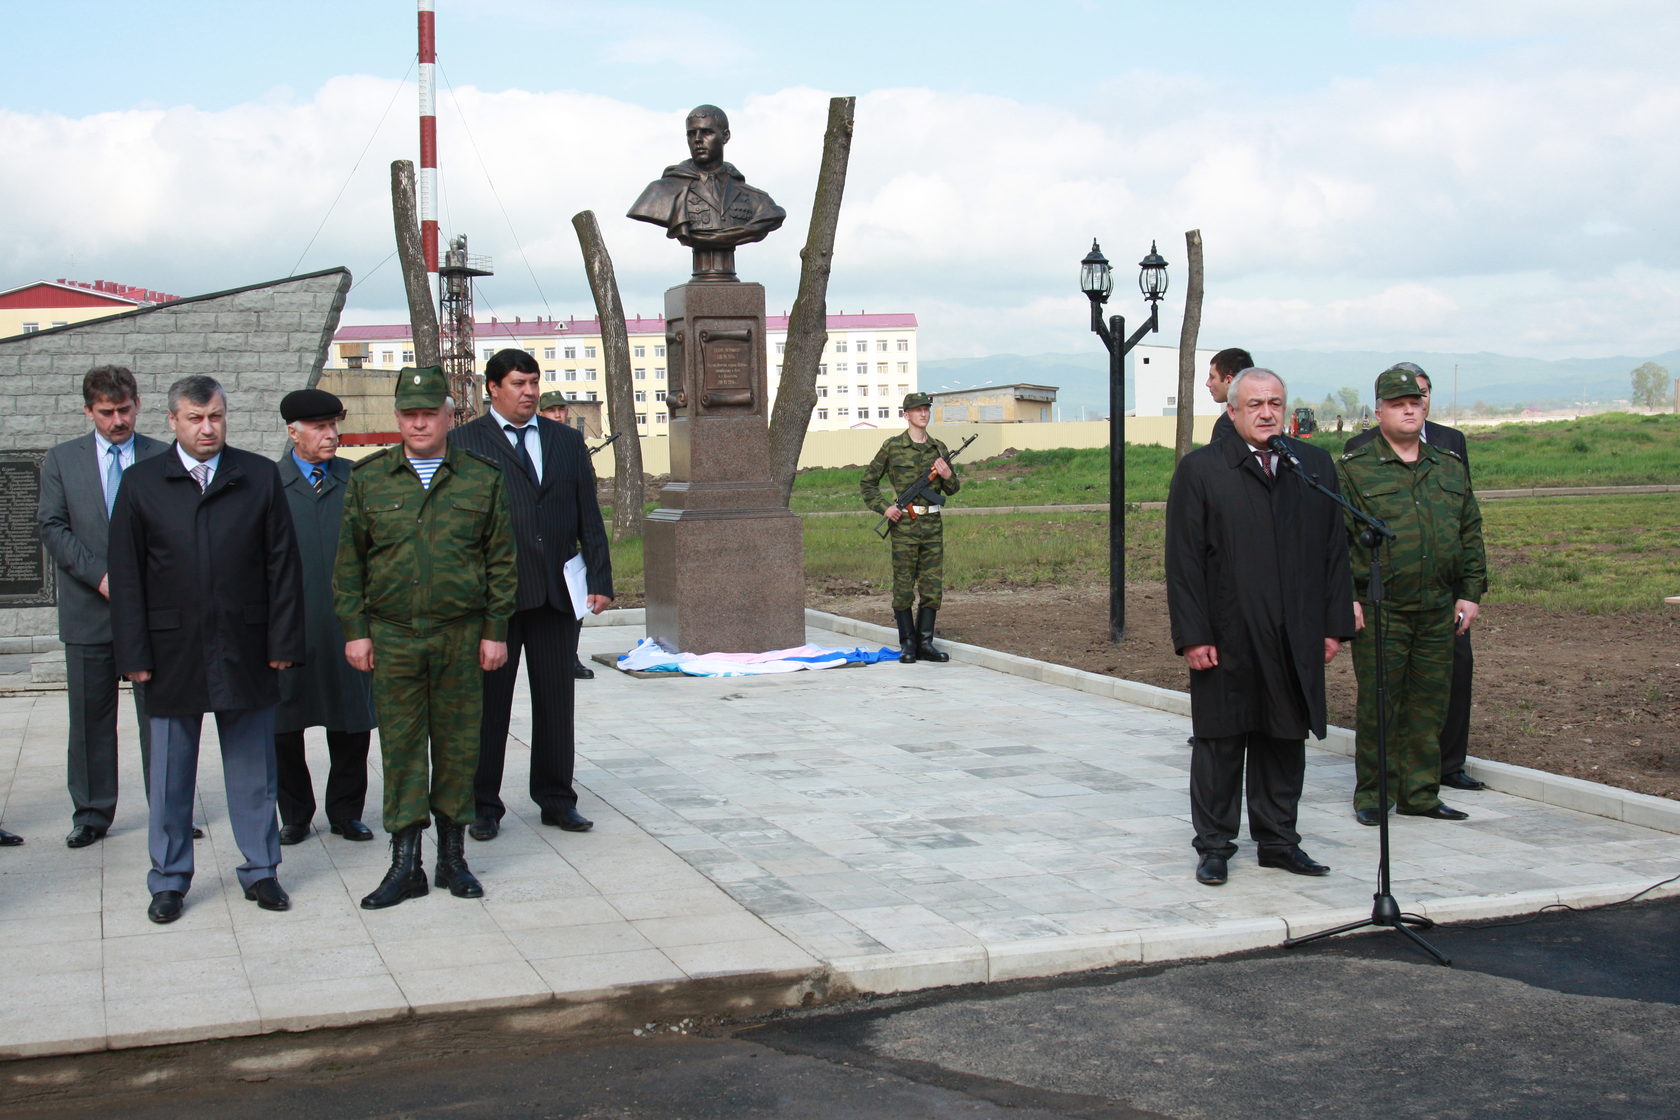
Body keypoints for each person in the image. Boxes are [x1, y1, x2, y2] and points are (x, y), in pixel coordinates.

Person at [108, 376, 306, 924]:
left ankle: (261, 869)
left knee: (253, 770)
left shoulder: (258, 475)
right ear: (171, 421)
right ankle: (169, 879)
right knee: (170, 774)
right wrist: (134, 654)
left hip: (245, 643)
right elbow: (126, 577)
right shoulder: (142, 483)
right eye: (195, 419)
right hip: (170, 650)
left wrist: (283, 641)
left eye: (215, 417)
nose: (207, 428)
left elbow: (283, 568)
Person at [335, 367, 516, 908]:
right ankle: (405, 862)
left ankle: (452, 859)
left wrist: (495, 630)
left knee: (460, 745)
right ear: (398, 418)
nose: (419, 423)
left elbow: (501, 562)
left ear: (447, 415)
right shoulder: (368, 480)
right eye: (409, 414)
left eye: (429, 412)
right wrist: (356, 632)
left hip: (461, 636)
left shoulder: (482, 478)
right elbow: (350, 566)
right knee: (402, 747)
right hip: (393, 637)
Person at [1166, 367, 1354, 886]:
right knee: (1221, 741)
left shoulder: (1310, 466)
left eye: (1275, 403)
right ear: (1232, 411)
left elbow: (1334, 552)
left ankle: (1278, 841)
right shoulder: (1202, 470)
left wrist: (1333, 625)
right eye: (1255, 405)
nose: (1267, 412)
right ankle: (1214, 846)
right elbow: (1183, 562)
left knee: (1284, 737)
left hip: (1294, 632)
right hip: (1226, 635)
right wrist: (1193, 634)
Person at [449, 349, 613, 841]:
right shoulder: (464, 442)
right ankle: (483, 806)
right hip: (495, 600)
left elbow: (589, 513)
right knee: (489, 708)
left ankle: (557, 798)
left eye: (534, 383)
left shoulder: (565, 440)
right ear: (493, 388)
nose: (529, 392)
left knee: (556, 702)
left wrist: (601, 579)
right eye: (519, 384)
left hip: (557, 596)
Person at [1337, 365, 1487, 826]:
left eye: (1415, 403)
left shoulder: (1449, 466)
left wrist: (1470, 592)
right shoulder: (1354, 470)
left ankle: (1421, 793)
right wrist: (1348, 599)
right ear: (1378, 411)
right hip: (1382, 608)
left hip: (1439, 606)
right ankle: (1374, 794)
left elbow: (1470, 531)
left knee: (1430, 702)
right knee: (1380, 702)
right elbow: (1337, 544)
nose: (1408, 410)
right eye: (1398, 404)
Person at [37, 366, 169, 848]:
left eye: (125, 410)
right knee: (91, 718)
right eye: (107, 412)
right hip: (88, 610)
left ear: (138, 403)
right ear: (88, 410)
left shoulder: (162, 455)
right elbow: (52, 527)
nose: (118, 420)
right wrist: (101, 576)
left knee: (161, 717)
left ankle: (169, 806)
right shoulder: (61, 460)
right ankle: (92, 812)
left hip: (154, 614)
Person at [272, 389, 377, 846]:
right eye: (319, 427)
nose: (331, 434)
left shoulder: (357, 481)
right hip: (289, 626)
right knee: (282, 724)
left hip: (346, 625)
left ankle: (346, 811)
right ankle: (295, 813)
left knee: (352, 719)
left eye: (334, 424)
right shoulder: (267, 486)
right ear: (293, 432)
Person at [860, 392, 962, 664]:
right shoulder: (892, 447)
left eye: (926, 410)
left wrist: (948, 475)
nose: (923, 414)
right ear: (906, 415)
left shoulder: (938, 448)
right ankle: (907, 645)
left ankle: (925, 643)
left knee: (931, 586)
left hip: (932, 525)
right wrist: (885, 508)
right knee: (904, 586)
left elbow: (952, 489)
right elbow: (867, 483)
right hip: (904, 525)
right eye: (917, 410)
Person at [627, 104, 786, 250]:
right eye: (691, 134)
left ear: (725, 136)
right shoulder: (660, 191)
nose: (697, 140)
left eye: (706, 132)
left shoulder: (756, 200)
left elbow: (773, 215)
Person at [536, 390, 598, 681]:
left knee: (575, 599)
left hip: (567, 538)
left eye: (561, 410)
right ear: (541, 414)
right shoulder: (536, 444)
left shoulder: (574, 445)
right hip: (537, 536)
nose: (558, 415)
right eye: (552, 411)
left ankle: (569, 656)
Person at [1204, 347, 1253, 444]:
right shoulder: (1263, 416)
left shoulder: (1227, 424)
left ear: (1229, 380)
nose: (1207, 383)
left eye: (1212, 377)